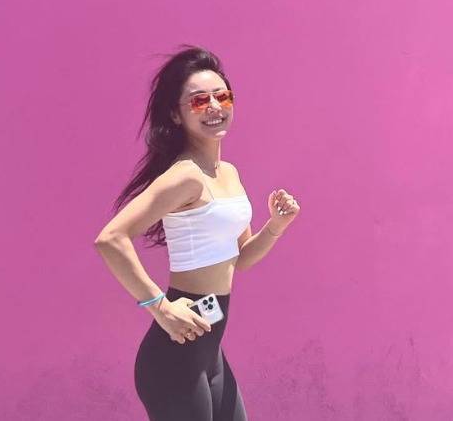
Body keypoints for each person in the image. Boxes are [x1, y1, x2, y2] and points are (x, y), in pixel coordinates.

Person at [94, 45, 301, 420]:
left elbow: (241, 259)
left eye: (222, 96)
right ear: (176, 114)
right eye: (199, 100)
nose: (214, 107)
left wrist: (275, 226)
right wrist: (159, 307)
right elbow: (110, 240)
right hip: (175, 359)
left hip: (210, 351)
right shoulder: (185, 175)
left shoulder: (228, 173)